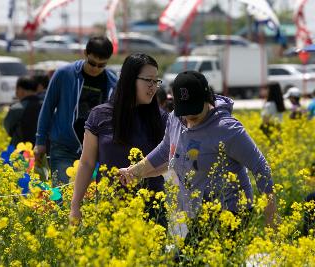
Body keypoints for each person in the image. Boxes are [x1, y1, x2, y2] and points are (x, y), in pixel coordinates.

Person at [119, 71, 276, 230]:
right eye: (184, 110)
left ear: (207, 98)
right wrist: (134, 171)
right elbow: (165, 150)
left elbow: (260, 167)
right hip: (198, 212)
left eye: (194, 109)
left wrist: (271, 217)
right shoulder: (175, 118)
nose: (188, 117)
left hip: (231, 213)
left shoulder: (227, 129)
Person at [69, 53, 168, 226]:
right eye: (148, 80)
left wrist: (139, 172)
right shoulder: (100, 115)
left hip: (150, 209)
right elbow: (86, 163)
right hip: (109, 208)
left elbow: (169, 161)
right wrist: (75, 206)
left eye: (156, 81)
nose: (153, 87)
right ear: (130, 80)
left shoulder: (161, 119)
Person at [34, 36, 117, 185]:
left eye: (101, 65)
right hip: (63, 146)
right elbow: (48, 107)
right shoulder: (64, 74)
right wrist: (40, 141)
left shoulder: (112, 82)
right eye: (92, 63)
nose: (96, 68)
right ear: (85, 53)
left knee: (90, 202)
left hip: (95, 151)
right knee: (63, 196)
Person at [4, 76, 41, 146]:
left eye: (16, 89)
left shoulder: (16, 109)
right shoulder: (45, 107)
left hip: (21, 154)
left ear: (21, 90)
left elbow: (8, 129)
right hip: (43, 152)